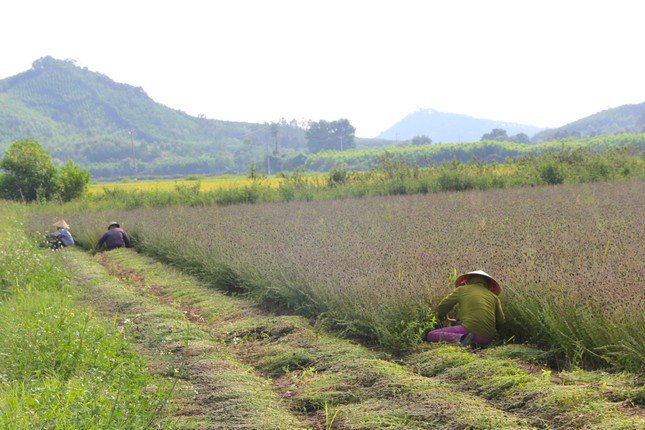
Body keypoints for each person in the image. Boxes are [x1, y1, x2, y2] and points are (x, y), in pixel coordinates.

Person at [425, 270, 505, 347]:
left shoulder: (462, 289)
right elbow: (501, 321)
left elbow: (444, 305)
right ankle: (470, 342)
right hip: (487, 339)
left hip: (470, 331)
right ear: (489, 283)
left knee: (431, 335)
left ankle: (462, 339)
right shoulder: (494, 297)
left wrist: (441, 317)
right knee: (469, 332)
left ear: (468, 279)